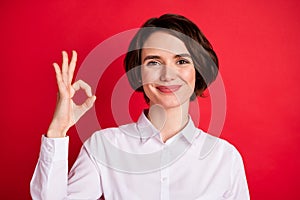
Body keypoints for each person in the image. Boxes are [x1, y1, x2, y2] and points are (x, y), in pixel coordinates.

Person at [30, 14, 250, 199]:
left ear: (198, 70)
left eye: (181, 61)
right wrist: (57, 131)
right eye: (154, 62)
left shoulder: (225, 158)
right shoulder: (103, 146)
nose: (167, 75)